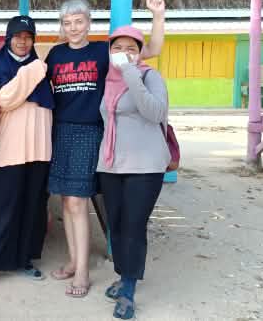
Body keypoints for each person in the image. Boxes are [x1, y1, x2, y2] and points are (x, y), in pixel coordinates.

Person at [45, 0, 165, 298]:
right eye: (67, 23)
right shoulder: (55, 55)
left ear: (89, 23)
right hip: (61, 131)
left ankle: (83, 273)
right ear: (62, 26)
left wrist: (158, 17)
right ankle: (74, 261)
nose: (73, 28)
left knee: (78, 202)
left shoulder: (103, 51)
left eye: (79, 21)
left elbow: (151, 50)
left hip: (90, 132)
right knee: (65, 201)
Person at [0, 15, 53, 296]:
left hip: (40, 149)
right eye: (17, 36)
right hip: (10, 149)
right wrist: (34, 71)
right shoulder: (2, 66)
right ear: (8, 38)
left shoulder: (41, 67)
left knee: (32, 207)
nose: (22, 41)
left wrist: (36, 71)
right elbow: (3, 100)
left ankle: (22, 259)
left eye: (28, 37)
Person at [97, 25, 169, 320]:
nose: (124, 54)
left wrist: (130, 73)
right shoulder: (105, 80)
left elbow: (156, 112)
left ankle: (128, 288)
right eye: (118, 48)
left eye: (131, 49)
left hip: (146, 165)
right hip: (112, 164)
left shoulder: (149, 76)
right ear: (109, 52)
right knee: (116, 225)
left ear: (140, 53)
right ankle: (122, 274)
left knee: (134, 226)